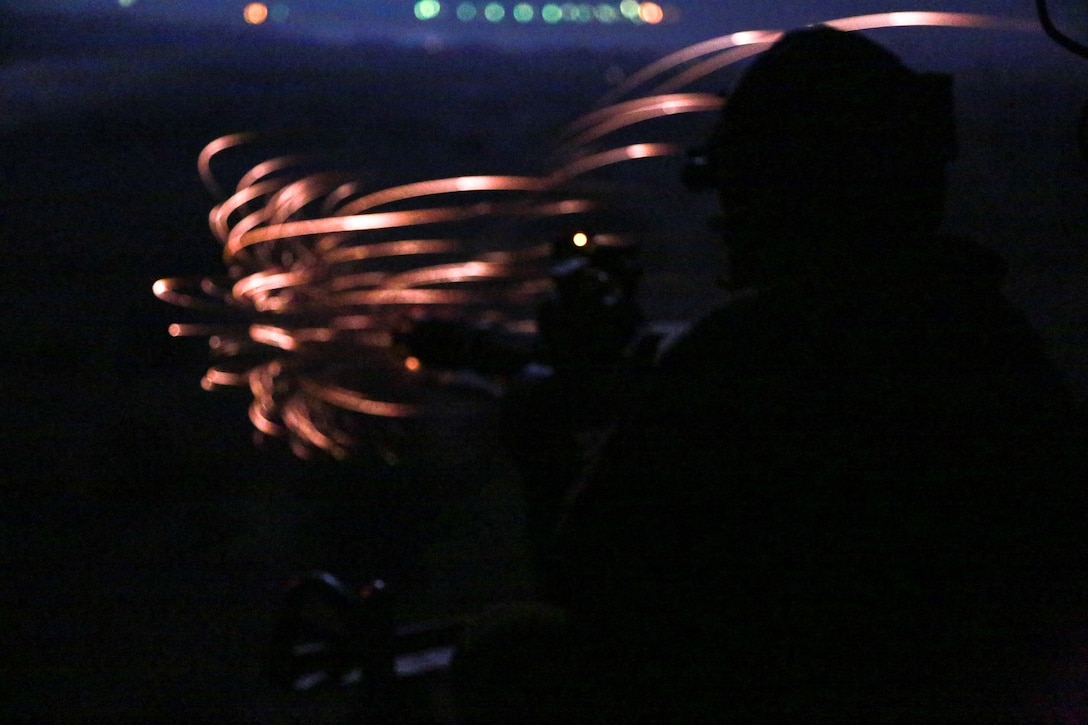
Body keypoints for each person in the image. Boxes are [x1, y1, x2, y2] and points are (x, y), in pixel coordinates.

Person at [529, 26, 1088, 721]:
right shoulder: (991, 341)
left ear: (779, 189)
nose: (725, 217)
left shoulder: (748, 358)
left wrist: (543, 438)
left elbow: (590, 571)